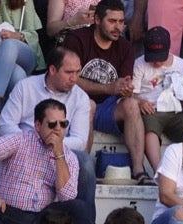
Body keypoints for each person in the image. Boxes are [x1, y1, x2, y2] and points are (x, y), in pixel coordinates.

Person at [0, 47, 96, 224]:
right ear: (52, 70)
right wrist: (32, 142)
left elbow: (80, 141)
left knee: (86, 162)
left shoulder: (80, 97)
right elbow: (5, 126)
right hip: (24, 149)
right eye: (69, 72)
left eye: (77, 72)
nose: (75, 78)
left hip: (60, 149)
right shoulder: (25, 87)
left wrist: (53, 142)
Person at [64, 0, 149, 182]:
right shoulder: (77, 39)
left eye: (121, 21)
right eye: (112, 21)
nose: (118, 27)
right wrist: (108, 87)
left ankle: (138, 170)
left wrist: (126, 89)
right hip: (75, 103)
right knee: (89, 104)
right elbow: (69, 79)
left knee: (132, 105)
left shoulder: (125, 47)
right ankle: (82, 169)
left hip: (109, 106)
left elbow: (122, 85)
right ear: (97, 20)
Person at [132, 27, 183, 173]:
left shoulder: (181, 65)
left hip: (177, 109)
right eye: (152, 57)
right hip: (151, 109)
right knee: (150, 129)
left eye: (160, 57)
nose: (156, 62)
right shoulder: (139, 64)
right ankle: (159, 171)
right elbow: (132, 93)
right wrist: (141, 102)